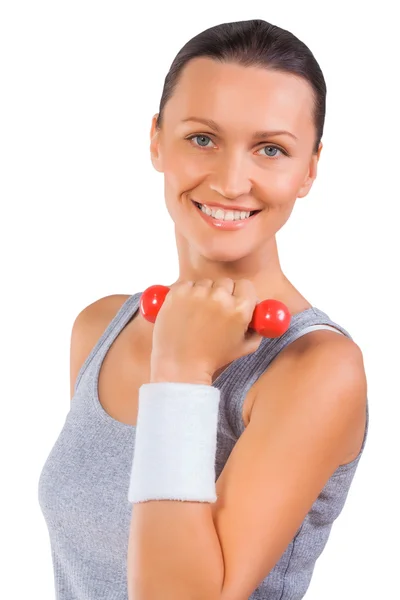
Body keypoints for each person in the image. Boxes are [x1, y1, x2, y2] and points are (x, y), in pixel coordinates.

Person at [38, 18, 369, 600]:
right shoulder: (100, 328)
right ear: (155, 140)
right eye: (202, 139)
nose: (231, 181)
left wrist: (181, 374)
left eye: (271, 149)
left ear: (309, 170)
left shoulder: (317, 368)